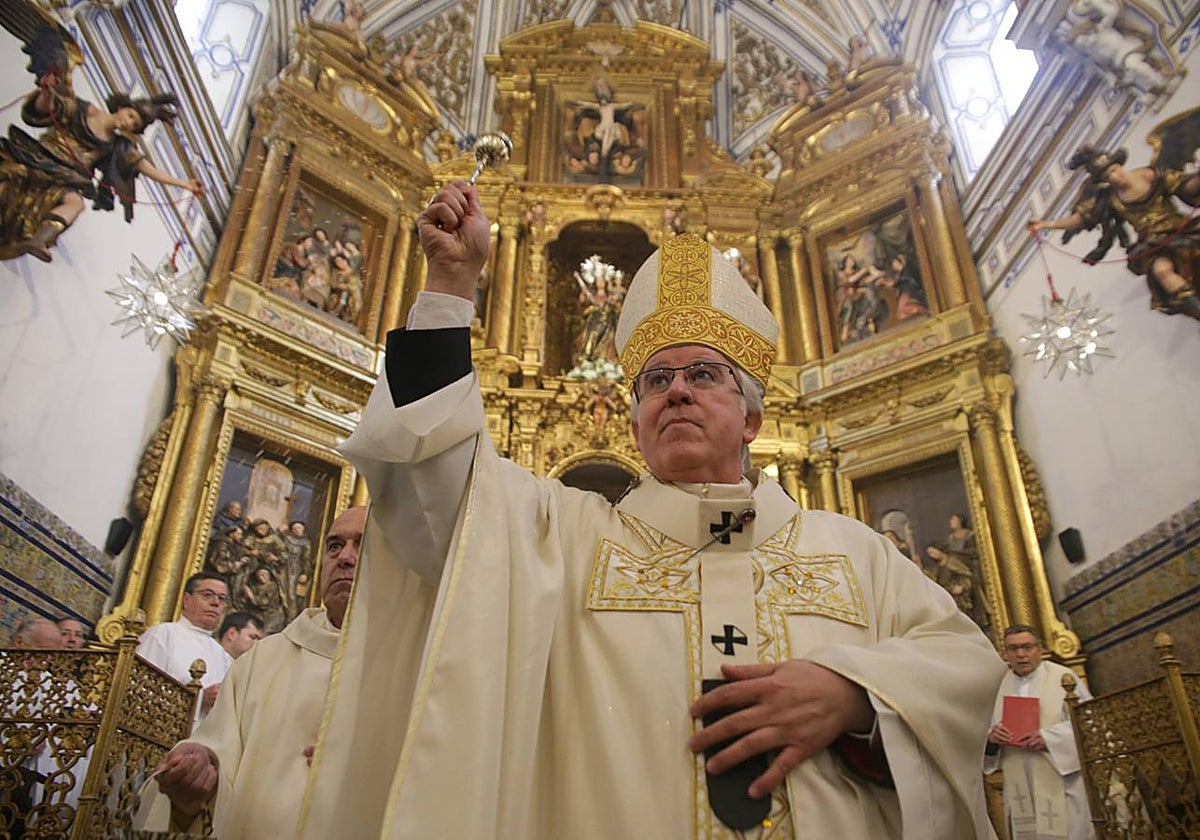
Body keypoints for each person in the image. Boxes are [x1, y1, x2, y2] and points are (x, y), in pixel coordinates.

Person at [296, 180, 1006, 839]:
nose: (677, 391)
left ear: (752, 420)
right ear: (635, 424)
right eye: (656, 380)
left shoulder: (855, 551)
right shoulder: (566, 538)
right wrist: (450, 290)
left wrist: (854, 696)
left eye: (704, 375)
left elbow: (963, 664)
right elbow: (434, 477)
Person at [147, 507, 366, 840]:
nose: (345, 558)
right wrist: (198, 769)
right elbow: (215, 754)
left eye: (363, 545)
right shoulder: (263, 658)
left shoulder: (419, 663)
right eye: (334, 546)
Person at [0, 40, 203, 263]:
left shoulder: (118, 146)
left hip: (67, 180)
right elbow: (46, 109)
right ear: (123, 108)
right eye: (131, 117)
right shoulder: (84, 111)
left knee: (76, 204)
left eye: (134, 126)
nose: (128, 124)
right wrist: (46, 94)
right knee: (12, 174)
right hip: (39, 159)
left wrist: (184, 185)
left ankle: (38, 240)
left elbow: (147, 169)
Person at [1027, 145, 1200, 322]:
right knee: (1162, 271)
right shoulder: (1111, 198)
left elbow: (1184, 185)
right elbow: (1079, 219)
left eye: (1114, 171)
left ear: (1119, 165)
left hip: (1181, 229)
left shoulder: (1149, 175)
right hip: (1154, 243)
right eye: (1108, 177)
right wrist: (1046, 224)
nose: (1115, 178)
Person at [985, 625, 1094, 840]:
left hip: (1061, 780)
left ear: (1040, 649)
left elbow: (1090, 722)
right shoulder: (996, 686)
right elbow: (984, 731)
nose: (1021, 654)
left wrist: (1051, 738)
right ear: (1004, 653)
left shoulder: (1064, 677)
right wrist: (992, 738)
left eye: (1027, 647)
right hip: (1020, 783)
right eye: (1013, 649)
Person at [135, 572, 233, 726]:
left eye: (222, 598)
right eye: (207, 595)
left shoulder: (223, 657)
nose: (215, 603)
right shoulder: (164, 634)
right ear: (186, 600)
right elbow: (138, 691)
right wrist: (199, 700)